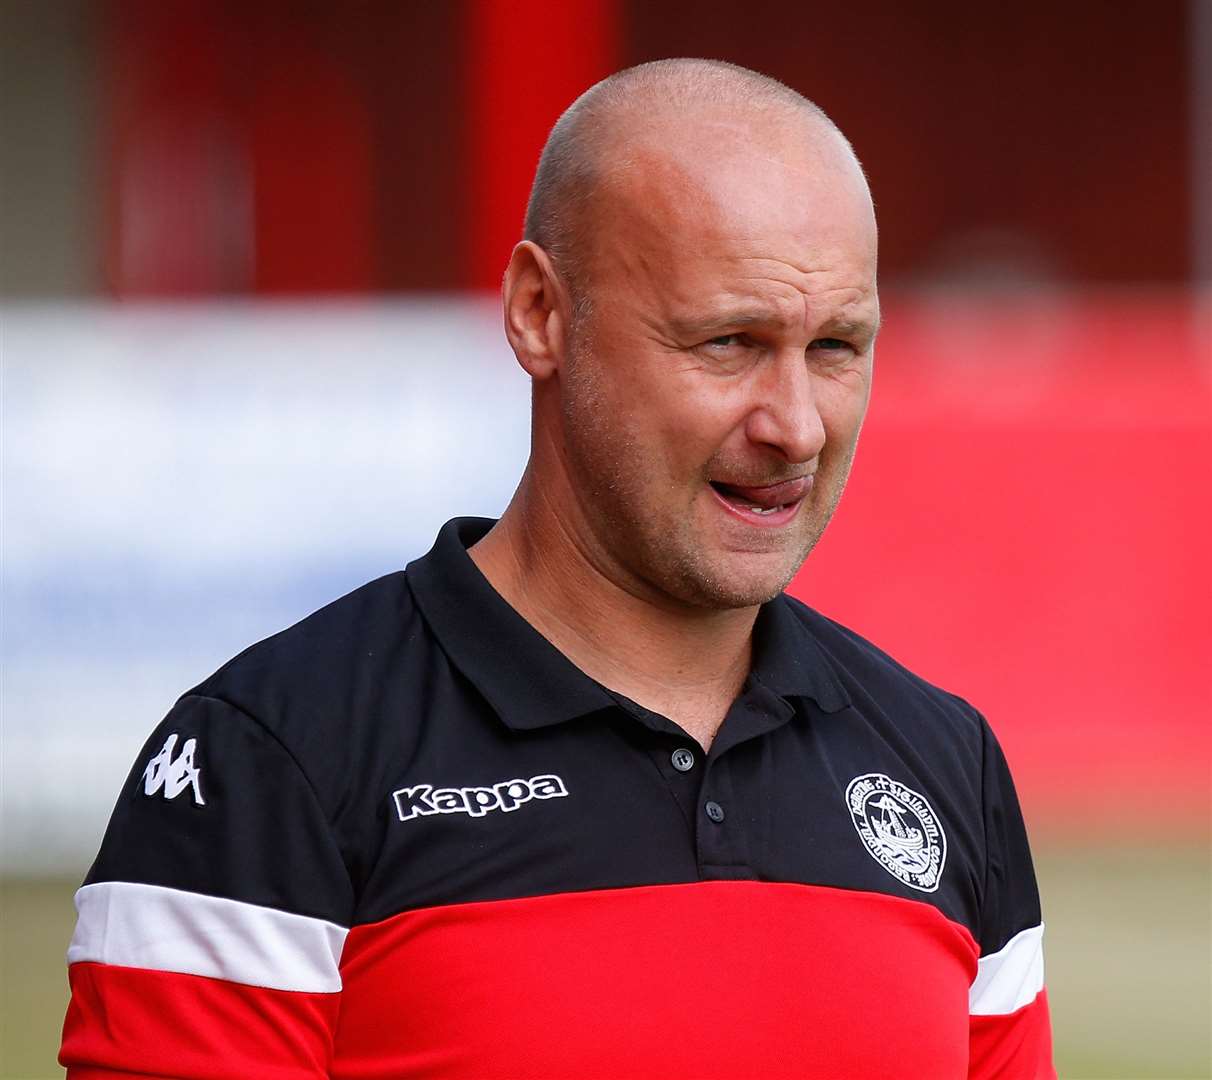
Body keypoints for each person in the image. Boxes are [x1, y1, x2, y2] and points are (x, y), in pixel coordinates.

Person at [60, 59, 1054, 1078]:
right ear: (541, 313)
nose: (795, 426)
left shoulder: (946, 764)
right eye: (728, 342)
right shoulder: (272, 760)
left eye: (838, 347)